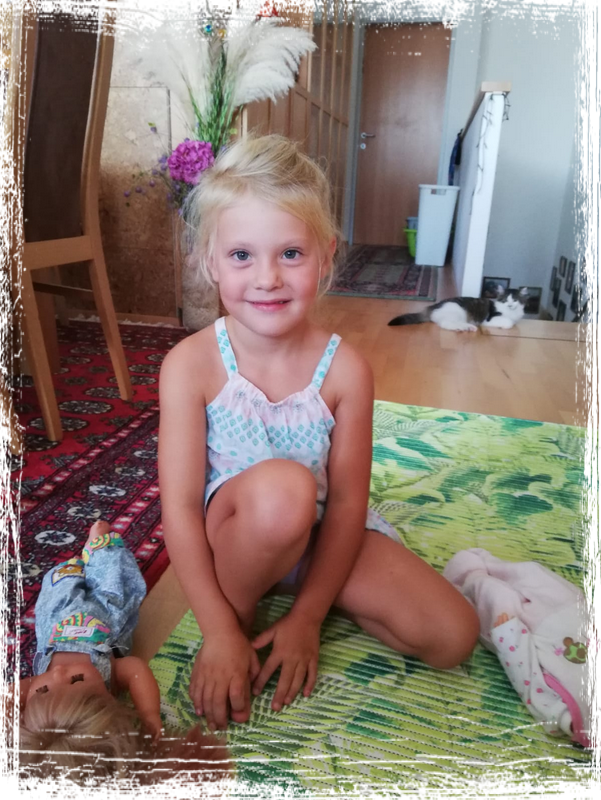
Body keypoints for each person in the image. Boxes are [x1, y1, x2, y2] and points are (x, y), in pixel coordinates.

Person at [158, 134, 480, 734]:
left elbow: (349, 504)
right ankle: (239, 614)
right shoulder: (190, 365)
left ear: (326, 257)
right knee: (286, 492)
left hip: (316, 535)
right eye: (242, 255)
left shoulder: (346, 370)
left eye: (290, 254)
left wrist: (309, 615)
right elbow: (177, 508)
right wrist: (219, 628)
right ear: (210, 261)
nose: (267, 278)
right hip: (236, 535)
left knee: (452, 635)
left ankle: (300, 602)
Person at [0, 521, 231, 800]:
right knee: (112, 575)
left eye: (43, 690)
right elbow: (136, 670)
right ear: (109, 697)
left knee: (57, 585)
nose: (58, 674)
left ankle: (75, 567)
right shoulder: (108, 673)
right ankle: (98, 543)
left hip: (59, 616)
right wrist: (148, 713)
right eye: (77, 679)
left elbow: (6, 698)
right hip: (104, 612)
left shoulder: (36, 698)